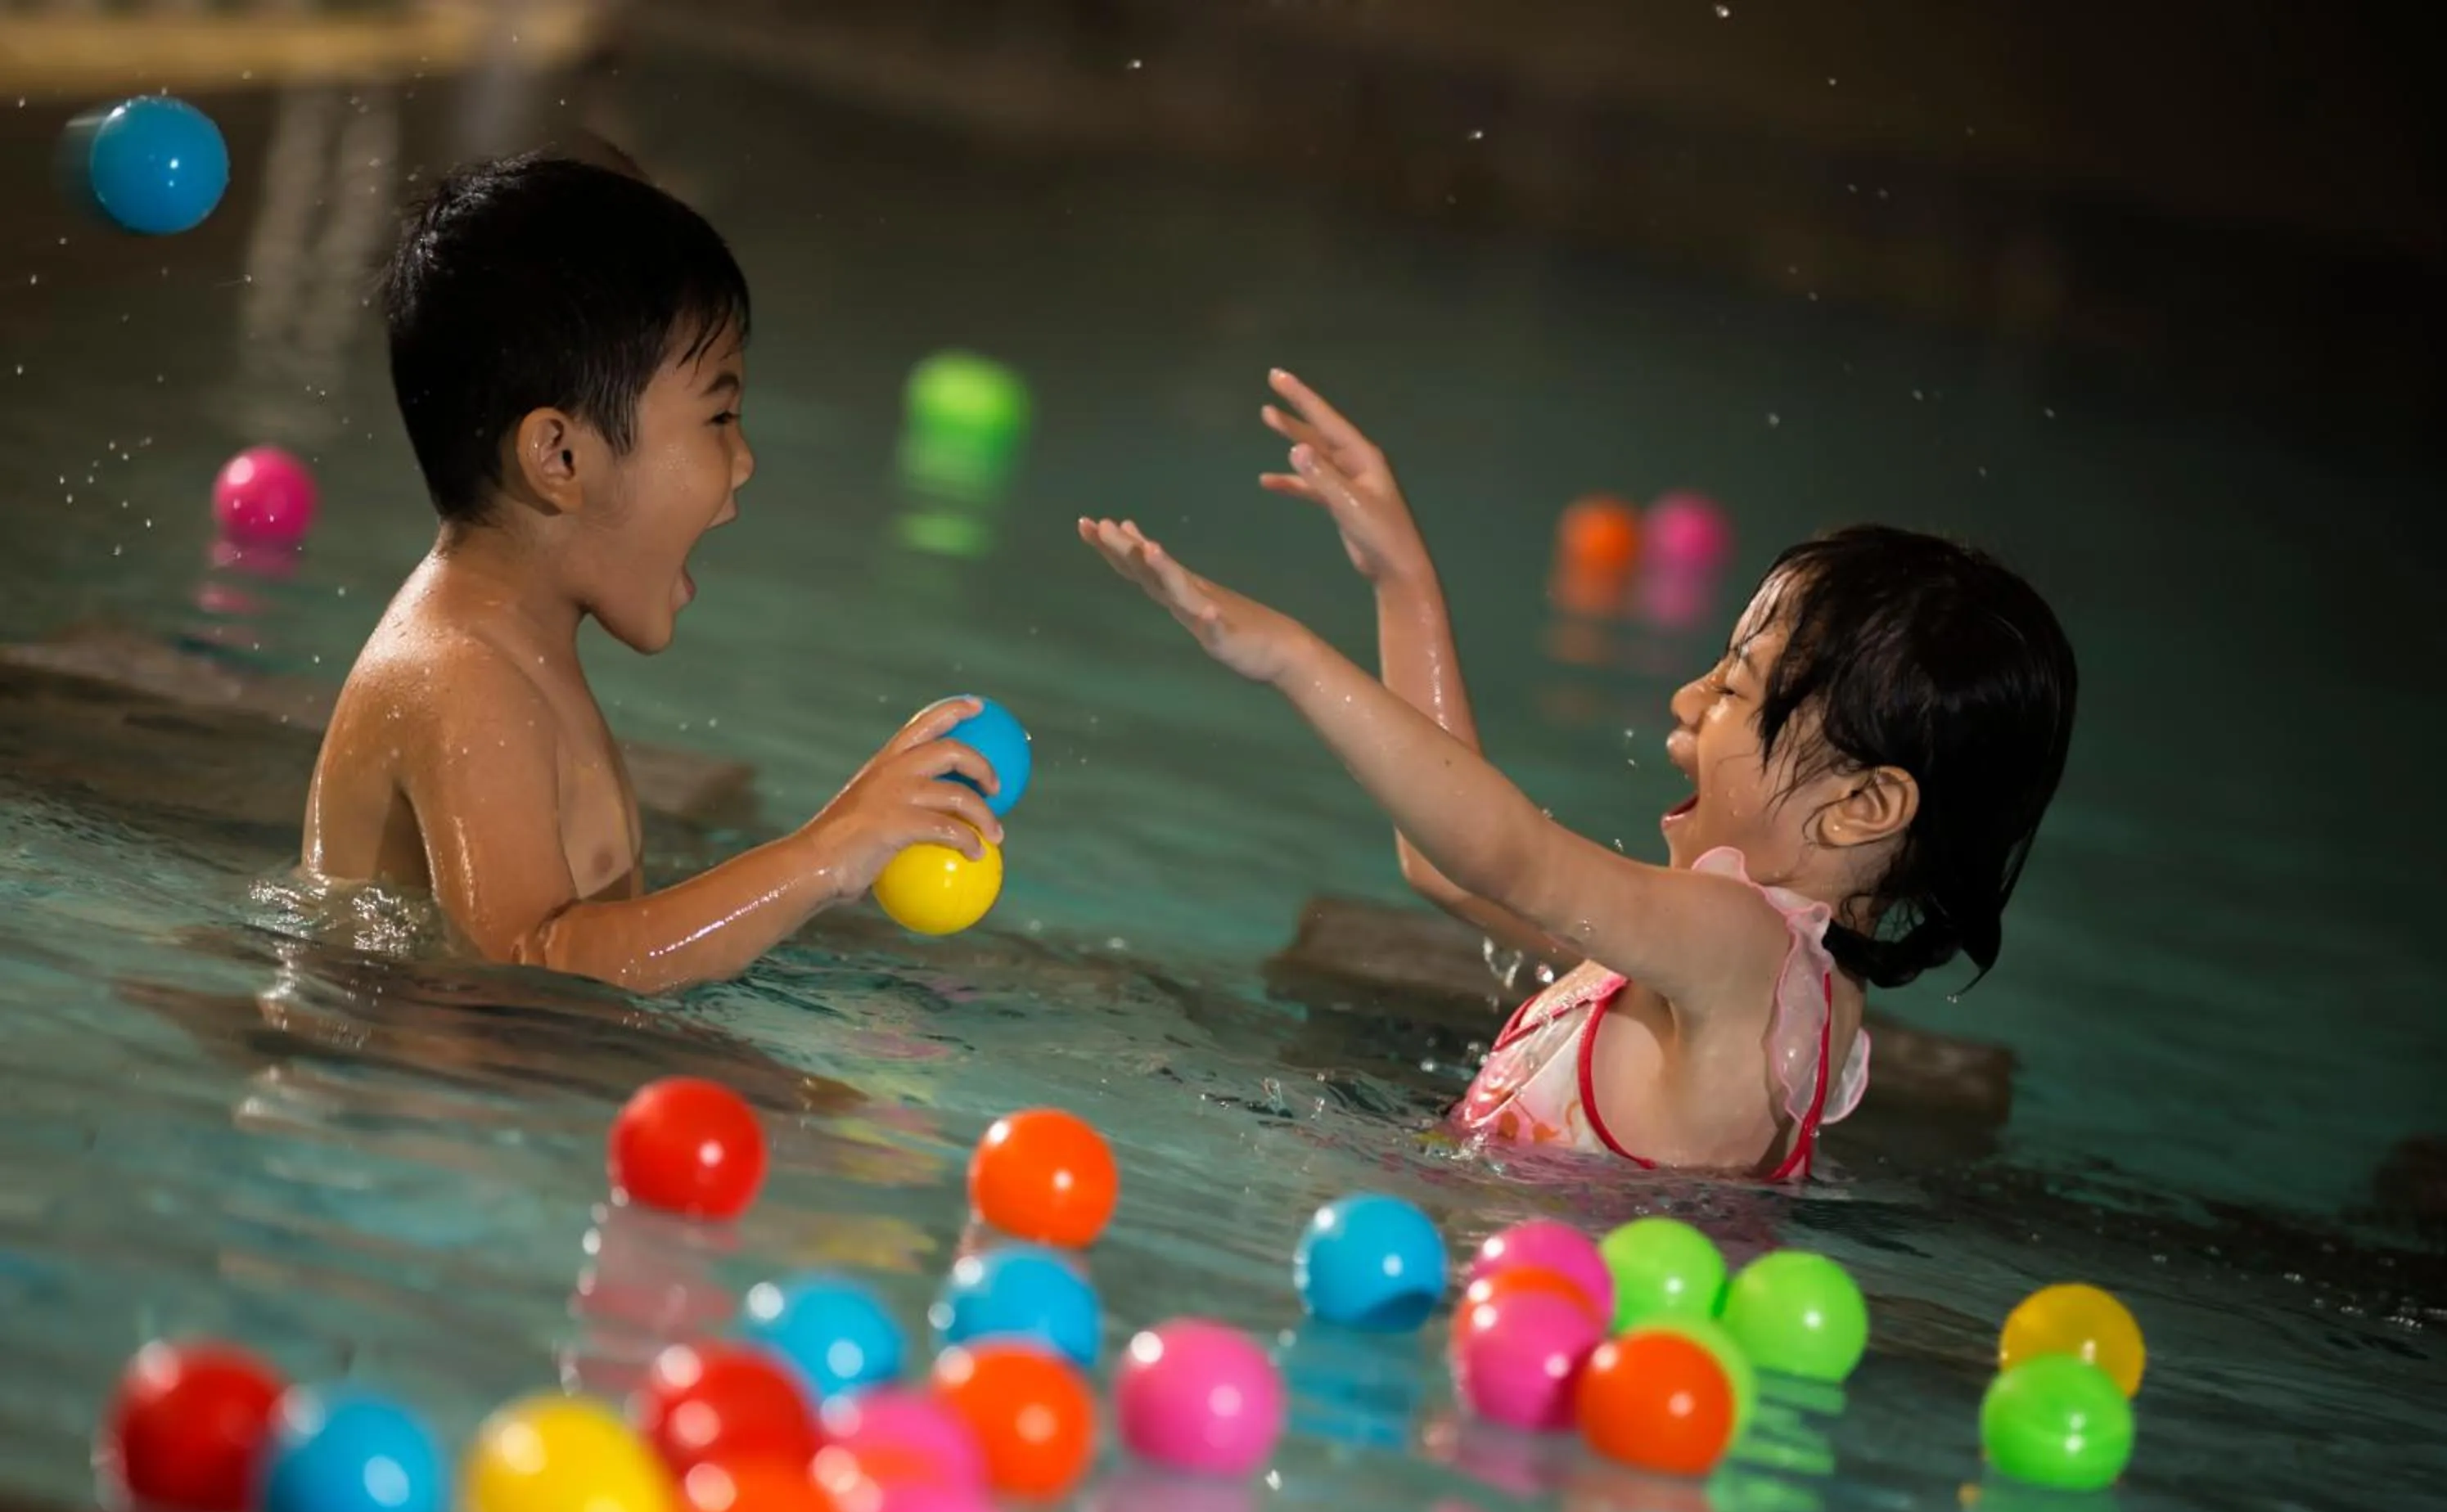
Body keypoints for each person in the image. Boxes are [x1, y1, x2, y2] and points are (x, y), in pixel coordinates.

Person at [1081, 371, 2076, 1174]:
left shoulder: (1742, 947)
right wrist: (1400, 579)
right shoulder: (1747, 970)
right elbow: (1454, 865)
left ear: (1863, 803)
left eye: (1734, 690)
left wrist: (1291, 656)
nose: (1686, 701)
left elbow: (1508, 852)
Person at [304, 152, 1002, 992]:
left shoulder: (508, 656)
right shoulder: (461, 678)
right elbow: (523, 966)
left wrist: (837, 852)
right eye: (718, 414)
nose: (742, 461)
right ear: (560, 455)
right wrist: (822, 858)